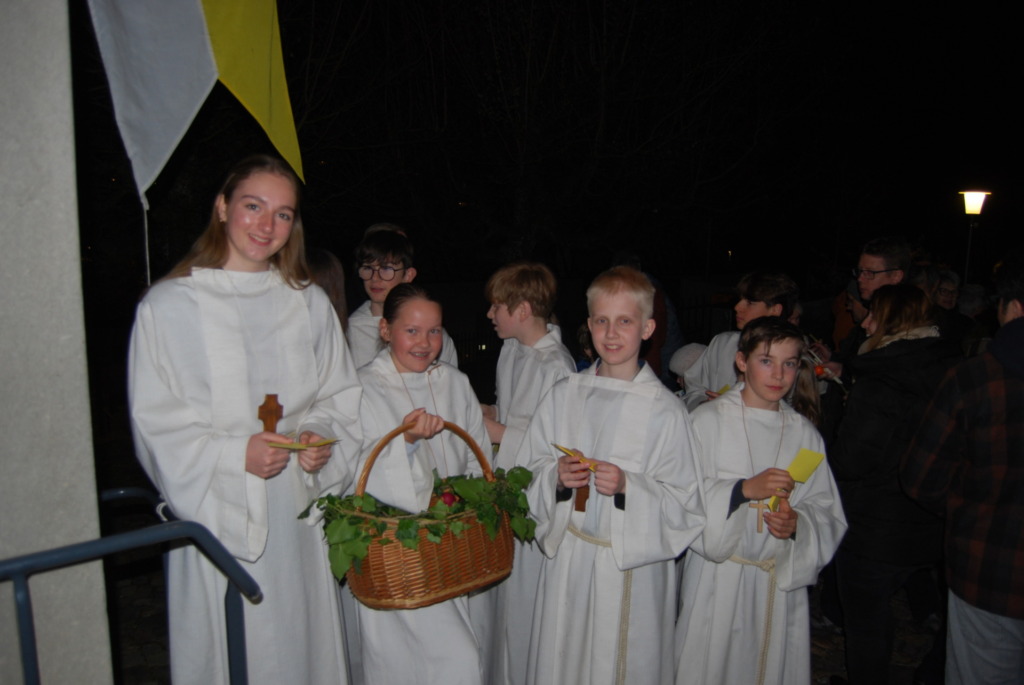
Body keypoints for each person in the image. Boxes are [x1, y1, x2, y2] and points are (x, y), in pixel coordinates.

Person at [128, 155, 362, 684]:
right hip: (219, 512)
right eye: (253, 206)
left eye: (283, 214)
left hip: (296, 513)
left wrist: (320, 438)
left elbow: (339, 396)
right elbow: (156, 426)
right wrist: (238, 455)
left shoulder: (307, 305)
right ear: (222, 207)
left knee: (302, 651)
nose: (266, 225)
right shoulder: (168, 308)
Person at [514, 266, 705, 685]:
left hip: (630, 573)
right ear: (588, 324)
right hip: (569, 558)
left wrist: (628, 487)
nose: (612, 333)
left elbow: (686, 504)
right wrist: (557, 478)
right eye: (601, 320)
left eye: (625, 321)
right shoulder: (564, 393)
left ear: (648, 327)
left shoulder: (665, 410)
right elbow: (528, 469)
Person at [675, 317, 845, 685]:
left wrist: (799, 524)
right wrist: (740, 491)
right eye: (766, 361)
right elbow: (681, 496)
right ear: (741, 362)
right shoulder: (707, 422)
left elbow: (826, 509)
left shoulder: (804, 433)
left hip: (776, 582)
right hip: (717, 578)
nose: (778, 374)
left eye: (789, 363)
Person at [350, 283, 491, 685]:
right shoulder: (363, 387)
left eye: (434, 331)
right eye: (411, 330)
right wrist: (406, 442)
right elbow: (353, 471)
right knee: (446, 659)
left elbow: (478, 452)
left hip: (450, 547)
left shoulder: (454, 382)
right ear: (385, 330)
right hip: (397, 550)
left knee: (454, 658)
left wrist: (470, 502)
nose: (425, 342)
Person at [902, 251, 1024, 685]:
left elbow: (922, 477)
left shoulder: (975, 379)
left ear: (1011, 307)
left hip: (990, 574)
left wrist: (970, 508)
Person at [829, 283, 961, 685]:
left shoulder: (883, 379)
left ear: (892, 322)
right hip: (928, 518)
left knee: (867, 625)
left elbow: (852, 459)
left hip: (876, 526)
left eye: (872, 315)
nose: (864, 323)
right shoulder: (950, 369)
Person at [478, 262, 575, 685]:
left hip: (535, 497)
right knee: (502, 601)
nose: (489, 315)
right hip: (506, 481)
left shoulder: (558, 367)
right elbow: (516, 412)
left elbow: (554, 444)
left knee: (525, 604)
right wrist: (488, 413)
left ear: (521, 310)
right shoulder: (511, 350)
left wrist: (496, 430)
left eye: (496, 306)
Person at [683, 271, 800, 411]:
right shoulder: (722, 343)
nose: (737, 307)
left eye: (750, 302)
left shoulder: (792, 354)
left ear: (775, 310)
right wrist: (704, 403)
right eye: (740, 299)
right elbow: (694, 387)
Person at [347, 225, 459, 369]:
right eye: (368, 268)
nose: (375, 278)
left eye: (386, 269)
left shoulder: (433, 335)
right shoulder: (349, 331)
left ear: (408, 275)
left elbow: (448, 384)